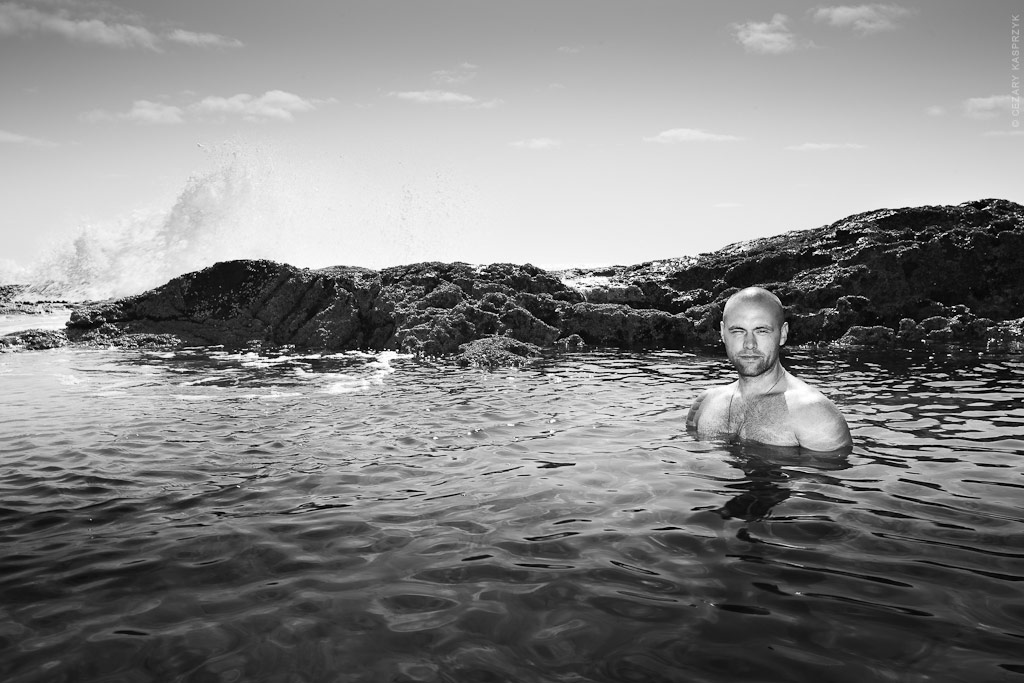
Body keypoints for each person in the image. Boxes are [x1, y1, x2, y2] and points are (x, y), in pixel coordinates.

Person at [686, 287, 851, 452]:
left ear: (783, 334)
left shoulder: (816, 415)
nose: (749, 344)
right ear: (723, 333)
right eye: (738, 331)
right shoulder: (704, 404)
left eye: (761, 331)